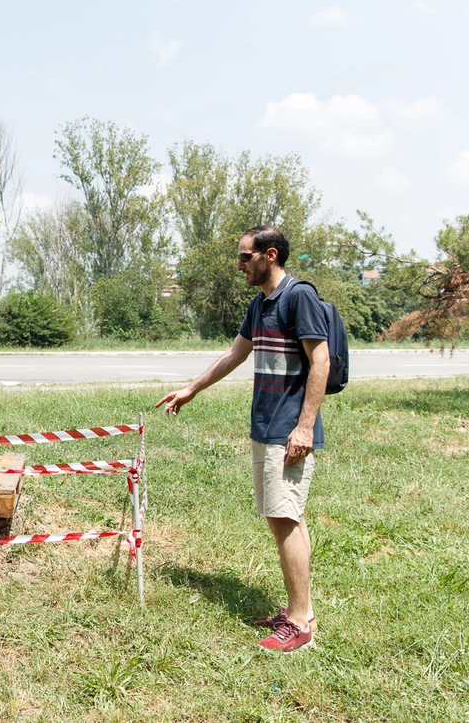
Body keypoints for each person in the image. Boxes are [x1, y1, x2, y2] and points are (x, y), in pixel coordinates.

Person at [156, 225, 329, 653]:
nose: (239, 266)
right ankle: (296, 611)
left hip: (288, 429)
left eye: (243, 257)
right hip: (265, 425)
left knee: (284, 517)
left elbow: (320, 361)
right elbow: (236, 353)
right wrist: (192, 389)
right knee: (284, 516)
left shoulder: (298, 297)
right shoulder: (261, 304)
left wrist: (305, 426)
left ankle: (301, 622)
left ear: (269, 255)